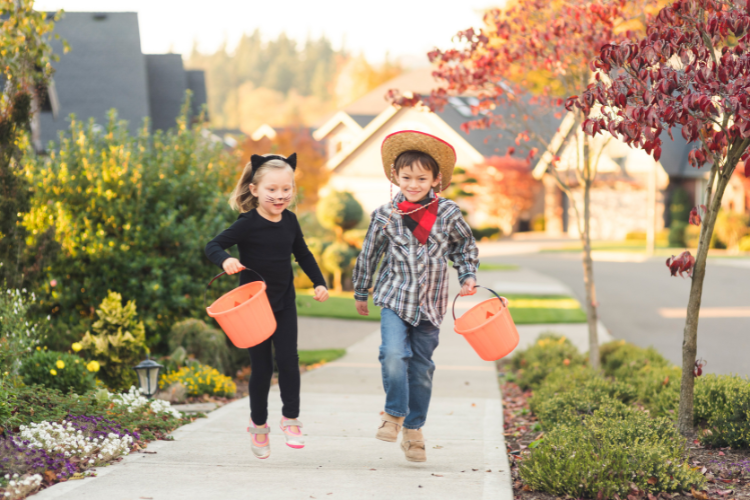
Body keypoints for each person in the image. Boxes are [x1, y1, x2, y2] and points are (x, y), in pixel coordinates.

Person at [352, 130, 479, 462]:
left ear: (436, 179)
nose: (413, 183)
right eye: (406, 177)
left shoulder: (448, 213)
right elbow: (369, 255)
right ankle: (393, 414)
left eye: (421, 178)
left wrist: (467, 275)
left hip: (431, 305)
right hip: (395, 298)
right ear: (395, 176)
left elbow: (464, 248)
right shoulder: (385, 215)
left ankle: (413, 430)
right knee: (393, 354)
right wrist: (361, 290)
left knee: (421, 369)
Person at [205, 153, 328, 460]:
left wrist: (319, 281)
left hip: (284, 301)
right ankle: (258, 424)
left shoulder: (290, 220)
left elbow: (303, 253)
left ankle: (290, 419)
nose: (280, 195)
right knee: (262, 367)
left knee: (288, 360)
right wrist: (227, 259)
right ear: (255, 189)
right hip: (252, 307)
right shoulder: (247, 223)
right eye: (272, 189)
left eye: (286, 189)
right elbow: (213, 246)